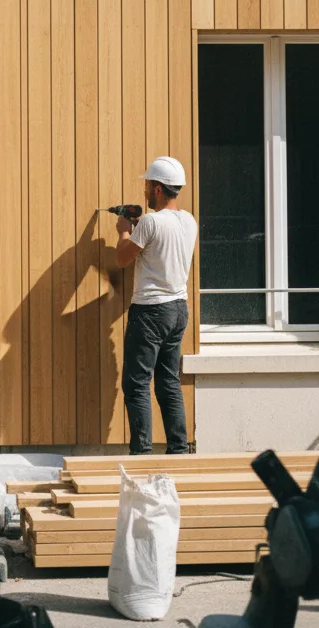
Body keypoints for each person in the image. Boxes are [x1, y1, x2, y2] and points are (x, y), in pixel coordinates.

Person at [114, 156, 197, 456]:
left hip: (150, 312)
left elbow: (122, 258)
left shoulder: (148, 222)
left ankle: (141, 455)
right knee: (168, 382)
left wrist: (124, 230)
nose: (146, 191)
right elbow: (161, 246)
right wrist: (139, 231)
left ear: (159, 189)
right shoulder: (189, 221)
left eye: (148, 185)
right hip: (178, 310)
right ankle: (178, 451)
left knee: (136, 384)